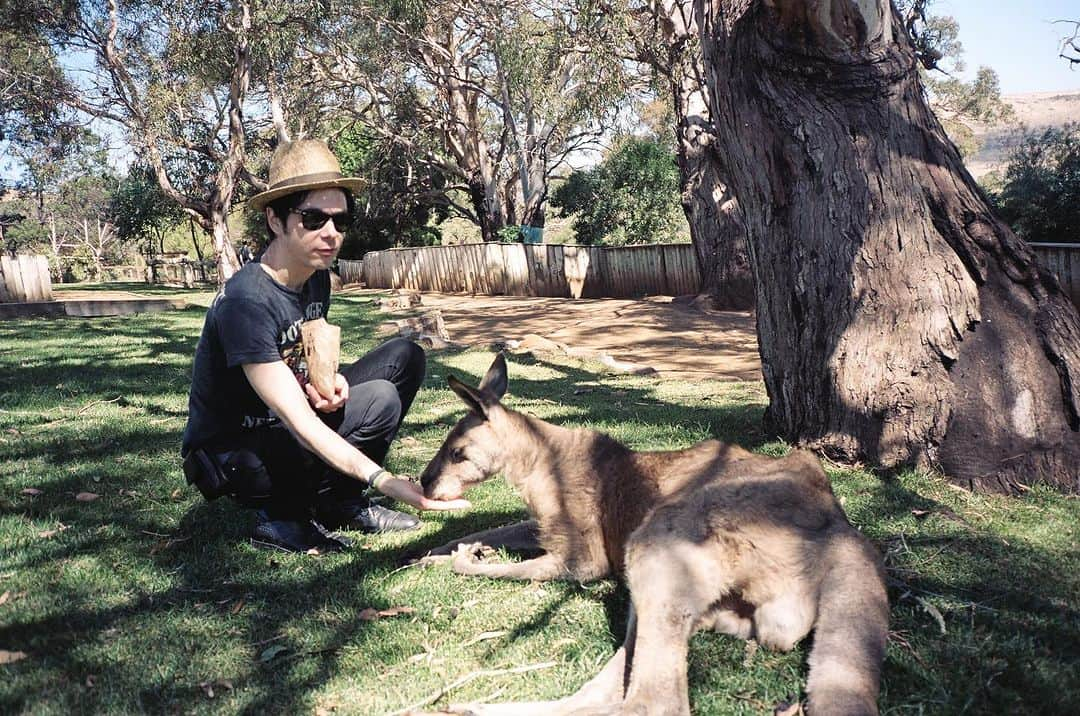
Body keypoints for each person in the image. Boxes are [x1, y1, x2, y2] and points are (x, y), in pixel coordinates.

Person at [181, 139, 469, 553]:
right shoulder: (246, 302)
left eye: (340, 220)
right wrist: (384, 480)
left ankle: (340, 502)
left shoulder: (315, 276)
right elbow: (297, 419)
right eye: (314, 219)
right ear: (275, 220)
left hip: (278, 422)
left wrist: (327, 382)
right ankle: (281, 519)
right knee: (379, 399)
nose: (331, 234)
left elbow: (307, 357)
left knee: (405, 357)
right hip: (233, 455)